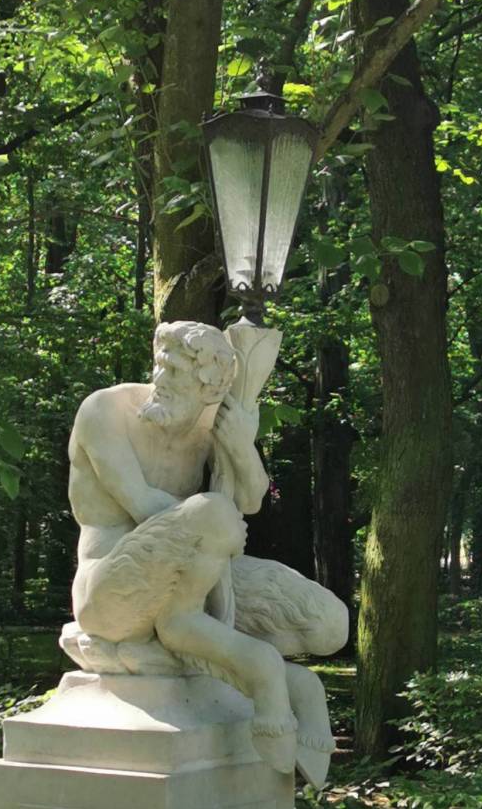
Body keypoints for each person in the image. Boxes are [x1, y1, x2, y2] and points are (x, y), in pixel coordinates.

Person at [66, 320, 349, 782]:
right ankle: (256, 667)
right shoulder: (104, 412)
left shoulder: (209, 423)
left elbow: (251, 500)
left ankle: (220, 645)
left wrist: (241, 447)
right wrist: (219, 524)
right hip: (110, 592)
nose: (162, 380)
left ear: (210, 391)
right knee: (214, 514)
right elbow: (143, 504)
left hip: (197, 569)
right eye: (162, 366)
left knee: (328, 623)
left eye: (178, 374)